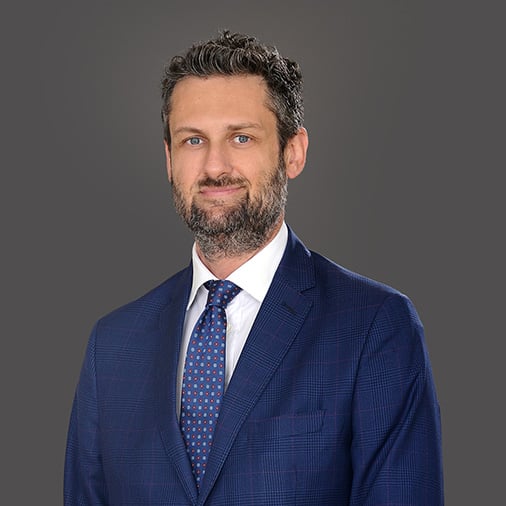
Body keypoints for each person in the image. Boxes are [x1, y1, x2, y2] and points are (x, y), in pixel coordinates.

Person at [64, 31, 444, 505]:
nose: (214, 166)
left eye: (241, 138)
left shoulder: (374, 327)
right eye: (193, 140)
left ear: (293, 152)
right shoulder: (112, 346)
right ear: (169, 158)